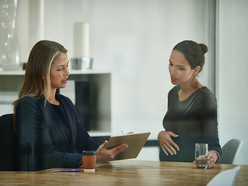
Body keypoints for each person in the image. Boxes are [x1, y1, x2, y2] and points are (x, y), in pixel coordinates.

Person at [13, 40, 128, 171]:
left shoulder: (65, 103)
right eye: (60, 68)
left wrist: (115, 147)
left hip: (67, 177)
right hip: (42, 180)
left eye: (67, 66)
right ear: (41, 73)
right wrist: (93, 157)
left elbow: (84, 144)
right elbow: (45, 157)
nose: (67, 72)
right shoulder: (28, 106)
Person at [157, 40, 221, 168]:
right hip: (167, 170)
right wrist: (161, 135)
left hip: (190, 172)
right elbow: (175, 130)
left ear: (195, 70)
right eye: (171, 64)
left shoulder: (204, 98)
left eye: (180, 68)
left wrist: (212, 157)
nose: (172, 71)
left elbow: (215, 147)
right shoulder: (173, 93)